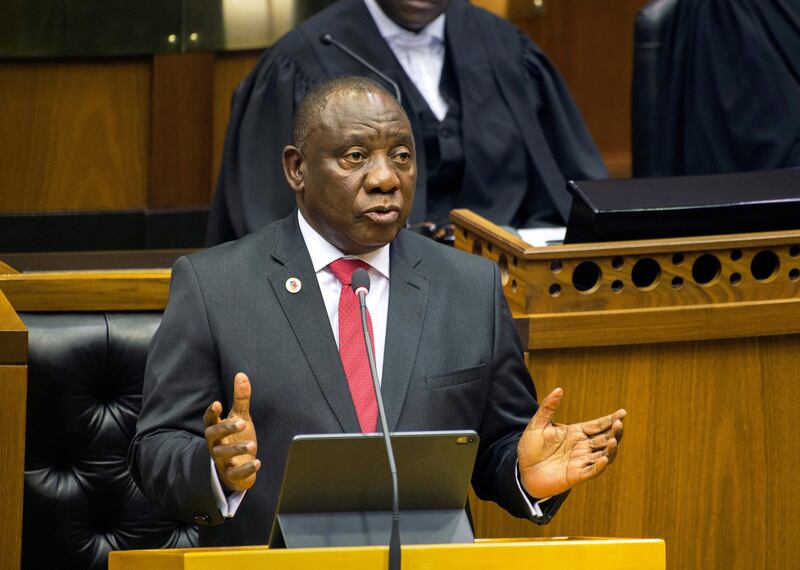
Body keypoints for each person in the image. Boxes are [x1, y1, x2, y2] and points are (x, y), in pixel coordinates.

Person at [130, 77, 625, 547]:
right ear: (297, 169)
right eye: (356, 156)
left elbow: (499, 445)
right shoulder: (216, 285)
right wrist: (214, 469)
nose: (386, 178)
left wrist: (522, 472)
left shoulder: (469, 287)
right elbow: (155, 449)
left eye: (402, 156)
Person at [205, 0, 607, 246]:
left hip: (505, 287)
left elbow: (566, 192)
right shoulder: (301, 61)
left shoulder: (506, 47)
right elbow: (269, 224)